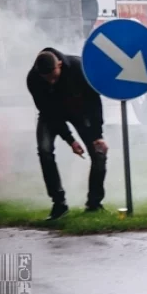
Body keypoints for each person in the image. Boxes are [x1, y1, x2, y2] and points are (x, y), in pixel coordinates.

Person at [26, 48, 108, 220]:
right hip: (51, 115)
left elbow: (94, 101)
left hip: (80, 111)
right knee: (44, 151)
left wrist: (97, 135)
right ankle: (59, 204)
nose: (51, 82)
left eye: (54, 77)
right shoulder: (33, 79)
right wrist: (70, 140)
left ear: (60, 64)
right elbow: (48, 113)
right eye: (47, 79)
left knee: (99, 152)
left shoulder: (78, 68)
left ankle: (94, 203)